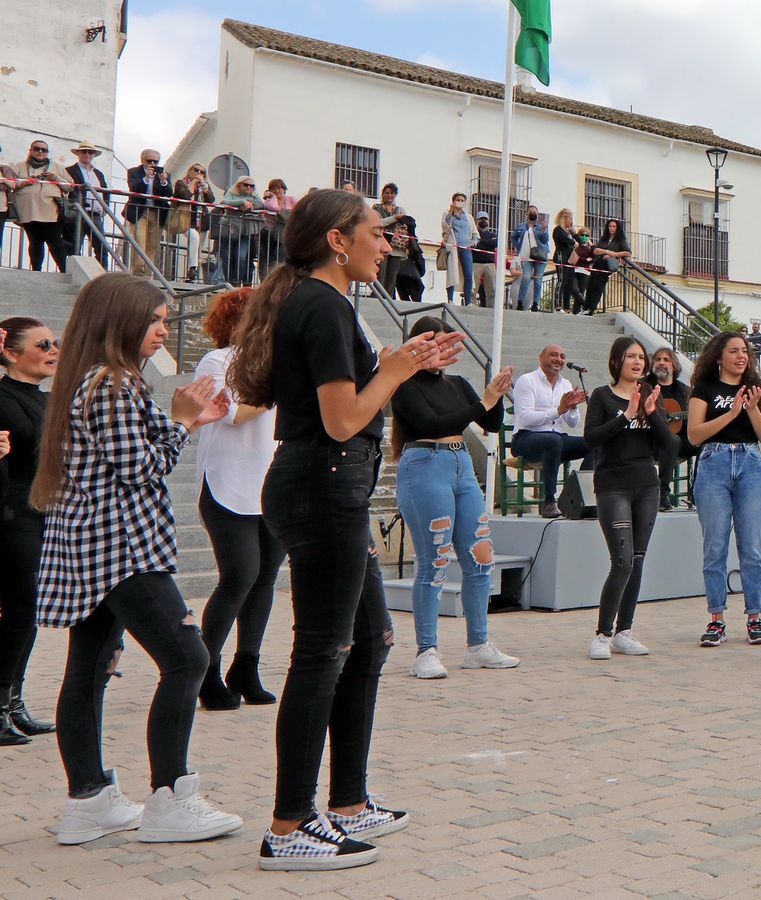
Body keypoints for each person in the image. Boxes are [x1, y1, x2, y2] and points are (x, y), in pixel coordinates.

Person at [228, 189, 462, 869]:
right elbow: (342, 420)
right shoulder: (323, 305)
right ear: (338, 240)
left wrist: (401, 364)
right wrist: (392, 371)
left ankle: (349, 802)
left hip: (329, 488)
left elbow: (348, 399)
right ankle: (288, 824)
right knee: (323, 652)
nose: (386, 244)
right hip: (322, 486)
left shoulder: (325, 305)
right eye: (375, 232)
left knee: (370, 641)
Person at [33, 274, 242, 844]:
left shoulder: (96, 380)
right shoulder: (110, 384)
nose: (162, 329)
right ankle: (171, 798)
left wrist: (187, 417)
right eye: (154, 319)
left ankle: (89, 799)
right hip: (121, 548)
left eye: (164, 320)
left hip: (97, 545)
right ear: (119, 322)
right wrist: (179, 420)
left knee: (91, 666)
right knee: (187, 659)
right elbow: (141, 468)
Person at [391, 317, 520, 679]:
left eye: (444, 345)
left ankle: (478, 644)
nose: (438, 352)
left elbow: (490, 424)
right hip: (425, 464)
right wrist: (484, 401)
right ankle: (426, 650)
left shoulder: (458, 383)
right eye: (430, 343)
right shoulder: (402, 384)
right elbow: (434, 423)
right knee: (433, 561)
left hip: (462, 465)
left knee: (480, 557)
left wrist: (492, 396)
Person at [188, 289, 286, 711]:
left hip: (271, 484)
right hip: (227, 483)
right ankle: (205, 671)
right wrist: (282, 382)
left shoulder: (279, 363)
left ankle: (247, 666)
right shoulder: (217, 361)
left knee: (265, 579)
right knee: (239, 577)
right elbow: (237, 412)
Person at [584, 337, 672, 659]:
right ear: (616, 360)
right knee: (620, 561)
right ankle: (602, 633)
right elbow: (591, 439)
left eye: (640, 357)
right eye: (630, 356)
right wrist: (627, 415)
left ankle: (625, 631)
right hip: (613, 486)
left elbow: (668, 446)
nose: (637, 362)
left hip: (646, 486)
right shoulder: (602, 397)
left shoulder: (651, 396)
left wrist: (651, 414)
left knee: (636, 560)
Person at [689, 331, 761, 647]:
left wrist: (751, 409)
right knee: (715, 547)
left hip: (750, 464)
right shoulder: (704, 389)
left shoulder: (758, 390)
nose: (742, 356)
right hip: (714, 463)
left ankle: (755, 617)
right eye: (734, 350)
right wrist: (730, 413)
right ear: (718, 356)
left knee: (752, 547)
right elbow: (694, 434)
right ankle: (717, 619)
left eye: (745, 351)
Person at [0, 318, 59, 745]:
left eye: (55, 342)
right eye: (43, 343)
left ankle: (13, 701)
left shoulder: (49, 399)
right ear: (11, 352)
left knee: (29, 611)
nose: (54, 349)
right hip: (9, 513)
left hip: (41, 514)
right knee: (19, 610)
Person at [510, 345, 589, 518]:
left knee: (594, 442)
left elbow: (573, 423)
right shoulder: (527, 380)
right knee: (552, 441)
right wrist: (559, 410)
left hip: (556, 438)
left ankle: (578, 495)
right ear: (541, 357)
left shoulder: (565, 384)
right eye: (553, 355)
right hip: (525, 438)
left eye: (562, 356)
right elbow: (526, 419)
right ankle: (549, 501)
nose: (559, 359)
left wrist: (573, 407)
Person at [645, 347, 693, 510]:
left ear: (674, 366)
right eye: (658, 360)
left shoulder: (684, 390)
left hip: (679, 442)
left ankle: (697, 492)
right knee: (671, 440)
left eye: (666, 360)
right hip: (650, 441)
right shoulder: (645, 386)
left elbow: (689, 421)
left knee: (705, 442)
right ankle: (662, 493)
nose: (661, 363)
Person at [12, 140, 72, 272]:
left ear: (47, 153)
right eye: (37, 148)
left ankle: (64, 271)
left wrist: (55, 177)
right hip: (28, 211)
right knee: (35, 240)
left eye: (44, 150)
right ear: (30, 150)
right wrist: (28, 181)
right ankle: (36, 270)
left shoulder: (56, 167)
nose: (40, 151)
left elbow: (69, 187)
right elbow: (12, 184)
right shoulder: (20, 166)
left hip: (50, 211)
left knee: (54, 240)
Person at [124, 149, 173, 276]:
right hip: (140, 211)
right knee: (140, 240)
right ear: (142, 160)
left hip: (156, 212)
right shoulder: (134, 172)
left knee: (153, 244)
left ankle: (148, 273)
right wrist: (146, 178)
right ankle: (138, 270)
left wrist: (163, 181)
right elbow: (133, 188)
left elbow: (169, 193)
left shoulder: (164, 174)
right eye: (149, 161)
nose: (152, 164)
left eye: (155, 161)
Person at [64, 142, 110, 266]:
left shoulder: (99, 174)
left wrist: (105, 207)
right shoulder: (69, 171)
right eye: (84, 151)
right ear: (78, 153)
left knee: (102, 248)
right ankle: (71, 273)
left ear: (94, 155)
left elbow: (105, 192)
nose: (87, 154)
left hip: (95, 214)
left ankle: (103, 276)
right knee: (74, 247)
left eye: (90, 152)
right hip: (77, 213)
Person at [169, 163, 216, 283]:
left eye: (202, 172)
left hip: (201, 220)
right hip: (185, 218)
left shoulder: (204, 186)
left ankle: (193, 277)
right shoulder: (181, 183)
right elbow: (185, 195)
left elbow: (211, 199)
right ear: (189, 170)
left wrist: (205, 187)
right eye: (196, 170)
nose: (198, 173)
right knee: (194, 238)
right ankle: (192, 270)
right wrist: (193, 183)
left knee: (197, 249)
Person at [216, 177, 266, 285]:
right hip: (228, 227)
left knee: (241, 256)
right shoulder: (231, 192)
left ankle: (237, 282)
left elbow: (261, 205)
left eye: (251, 186)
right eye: (246, 185)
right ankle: (230, 282)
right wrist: (242, 202)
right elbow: (225, 201)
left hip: (245, 231)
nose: (249, 187)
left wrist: (249, 202)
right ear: (239, 185)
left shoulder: (254, 195)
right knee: (227, 256)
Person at [584, 219, 631, 314]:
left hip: (606, 267)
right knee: (590, 285)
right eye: (610, 226)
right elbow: (596, 250)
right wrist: (607, 252)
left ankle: (591, 309)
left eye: (614, 226)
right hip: (597, 264)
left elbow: (627, 252)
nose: (612, 228)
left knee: (598, 287)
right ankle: (585, 308)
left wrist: (614, 254)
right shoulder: (604, 238)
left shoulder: (620, 240)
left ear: (617, 228)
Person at [511, 206, 550, 311]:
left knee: (538, 280)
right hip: (526, 257)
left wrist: (544, 230)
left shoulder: (541, 226)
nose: (533, 214)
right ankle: (520, 301)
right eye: (531, 212)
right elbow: (513, 237)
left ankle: (535, 304)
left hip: (540, 257)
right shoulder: (521, 226)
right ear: (527, 214)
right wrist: (518, 246)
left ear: (537, 214)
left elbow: (545, 240)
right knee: (526, 277)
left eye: (535, 212)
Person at [440, 193, 477, 305]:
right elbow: (445, 226)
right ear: (453, 201)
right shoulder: (447, 213)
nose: (460, 202)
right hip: (453, 247)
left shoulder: (469, 217)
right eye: (458, 200)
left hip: (466, 248)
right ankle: (450, 299)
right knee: (452, 273)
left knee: (468, 274)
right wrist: (452, 213)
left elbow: (475, 234)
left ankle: (468, 301)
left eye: (462, 200)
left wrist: (473, 243)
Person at [372, 184, 407, 298]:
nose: (389, 195)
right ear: (382, 194)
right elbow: (379, 223)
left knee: (392, 276)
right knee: (380, 273)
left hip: (397, 246)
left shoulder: (400, 209)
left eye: (392, 193)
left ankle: (388, 300)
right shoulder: (376, 207)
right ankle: (377, 298)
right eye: (387, 192)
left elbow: (405, 225)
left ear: (395, 195)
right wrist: (394, 218)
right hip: (381, 244)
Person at [259, 179, 298, 277]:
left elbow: (297, 210)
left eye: (279, 188)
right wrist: (274, 198)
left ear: (283, 188)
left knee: (282, 257)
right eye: (273, 189)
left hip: (287, 233)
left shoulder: (291, 199)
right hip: (271, 234)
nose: (277, 191)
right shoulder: (269, 201)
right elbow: (274, 207)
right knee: (271, 259)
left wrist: (282, 212)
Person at [389, 217, 427, 303]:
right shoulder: (410, 238)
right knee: (409, 295)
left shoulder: (410, 238)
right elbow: (418, 256)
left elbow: (417, 255)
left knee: (407, 294)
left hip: (407, 271)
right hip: (407, 271)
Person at [551, 209, 577, 313]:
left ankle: (567, 307)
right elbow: (568, 242)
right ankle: (558, 305)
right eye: (569, 218)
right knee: (562, 280)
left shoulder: (569, 231)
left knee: (569, 282)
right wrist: (574, 242)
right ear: (564, 218)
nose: (571, 220)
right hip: (561, 256)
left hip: (570, 259)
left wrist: (575, 234)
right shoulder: (558, 230)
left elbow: (579, 241)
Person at [471, 213, 497, 308]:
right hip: (476, 263)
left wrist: (480, 241)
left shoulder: (492, 234)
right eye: (480, 219)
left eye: (485, 219)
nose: (483, 221)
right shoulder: (473, 234)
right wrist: (486, 243)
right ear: (476, 221)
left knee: (492, 289)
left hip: (490, 264)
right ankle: (472, 306)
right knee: (473, 288)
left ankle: (492, 309)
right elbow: (474, 244)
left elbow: (494, 243)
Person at [568, 227, 595, 313]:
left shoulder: (590, 249)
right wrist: (586, 259)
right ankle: (586, 304)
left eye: (586, 235)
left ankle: (576, 312)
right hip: (575, 272)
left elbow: (594, 257)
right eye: (582, 235)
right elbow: (575, 258)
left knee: (581, 292)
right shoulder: (576, 246)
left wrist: (591, 244)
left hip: (585, 273)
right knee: (574, 290)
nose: (584, 236)